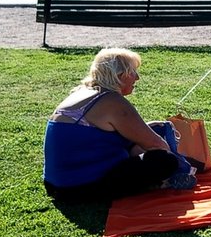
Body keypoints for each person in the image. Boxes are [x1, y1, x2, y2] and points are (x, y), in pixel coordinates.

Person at [42, 48, 196, 201]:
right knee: (164, 160)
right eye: (134, 72)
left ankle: (155, 182)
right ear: (121, 76)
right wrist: (179, 162)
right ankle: (163, 183)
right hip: (79, 188)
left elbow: (97, 135)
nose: (137, 78)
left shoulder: (83, 93)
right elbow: (157, 144)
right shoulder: (113, 102)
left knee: (147, 138)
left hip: (55, 185)